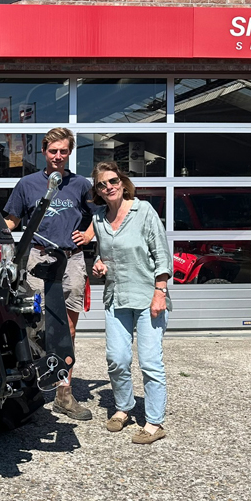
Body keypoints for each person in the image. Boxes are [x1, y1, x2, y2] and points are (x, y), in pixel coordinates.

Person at [3, 127, 94, 421]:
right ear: (43, 152)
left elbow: (102, 216)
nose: (58, 156)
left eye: (63, 151)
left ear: (69, 153)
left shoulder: (80, 185)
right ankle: (33, 388)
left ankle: (64, 395)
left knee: (66, 330)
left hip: (71, 262)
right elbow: (12, 220)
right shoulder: (27, 184)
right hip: (37, 261)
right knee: (35, 328)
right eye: (53, 151)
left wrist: (89, 234)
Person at [90, 161, 172, 444]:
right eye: (102, 184)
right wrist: (99, 266)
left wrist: (160, 291)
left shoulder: (143, 211)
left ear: (123, 183)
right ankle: (123, 408)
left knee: (150, 362)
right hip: (116, 297)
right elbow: (103, 255)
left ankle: (154, 421)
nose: (108, 187)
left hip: (148, 296)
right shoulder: (99, 219)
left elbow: (161, 253)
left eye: (112, 181)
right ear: (98, 191)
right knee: (117, 359)